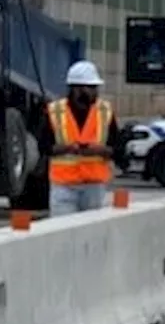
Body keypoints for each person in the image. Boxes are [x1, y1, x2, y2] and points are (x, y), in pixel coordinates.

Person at [38, 60, 124, 217]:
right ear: (77, 89)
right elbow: (43, 146)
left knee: (90, 235)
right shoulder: (55, 111)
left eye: (95, 87)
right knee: (62, 230)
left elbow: (118, 148)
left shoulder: (104, 111)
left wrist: (101, 150)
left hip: (93, 185)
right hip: (63, 185)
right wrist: (67, 148)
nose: (95, 92)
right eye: (91, 88)